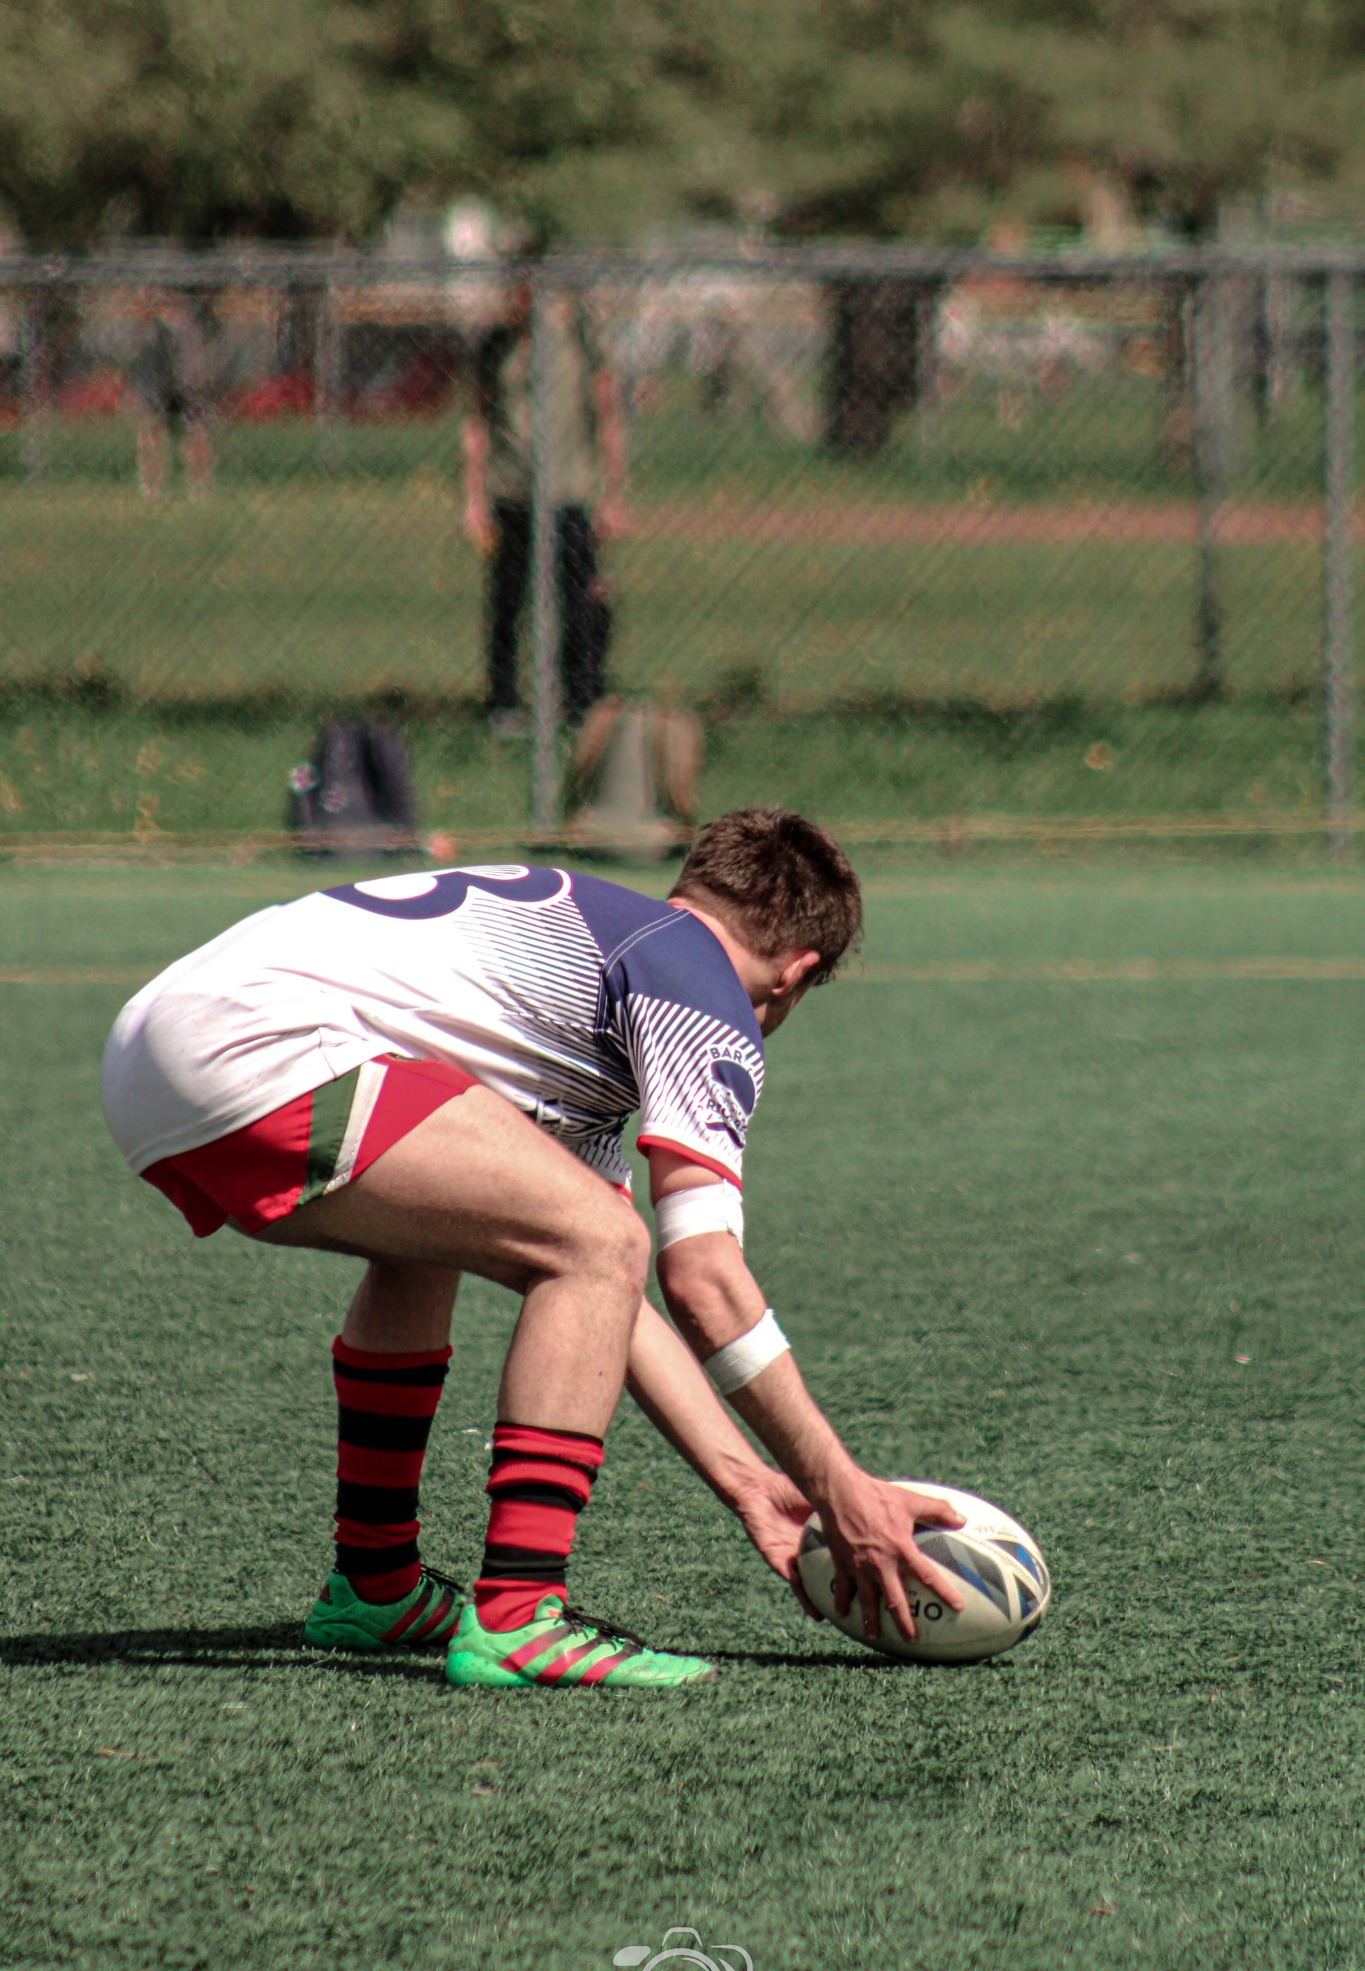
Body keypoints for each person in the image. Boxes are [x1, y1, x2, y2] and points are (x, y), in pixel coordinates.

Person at [100, 808, 965, 1690]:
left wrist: (748, 1483)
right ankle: (519, 1613)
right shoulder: (698, 988)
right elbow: (695, 1278)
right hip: (261, 1046)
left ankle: (376, 1583)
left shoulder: (598, 960)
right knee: (599, 1240)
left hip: (155, 1047)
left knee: (481, 1238)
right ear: (796, 973)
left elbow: (609, 1303)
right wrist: (836, 1483)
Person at [462, 276, 627, 735]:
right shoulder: (495, 346)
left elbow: (608, 417)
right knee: (508, 603)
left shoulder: (578, 342)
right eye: (515, 291)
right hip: (511, 493)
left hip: (568, 493)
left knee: (583, 601)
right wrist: (473, 497)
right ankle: (504, 703)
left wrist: (612, 494)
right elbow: (478, 422)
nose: (522, 302)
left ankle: (582, 699)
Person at [130, 290, 214, 502]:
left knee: (196, 434)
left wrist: (194, 385)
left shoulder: (190, 329)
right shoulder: (149, 329)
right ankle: (150, 485)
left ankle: (200, 486)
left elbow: (196, 363)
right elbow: (141, 362)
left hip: (186, 387)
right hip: (157, 387)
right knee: (151, 431)